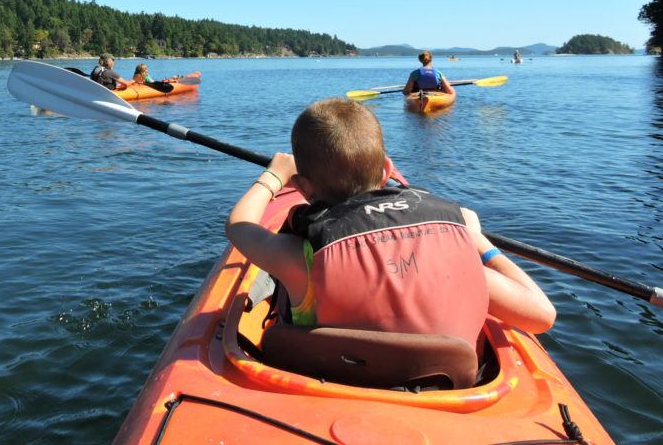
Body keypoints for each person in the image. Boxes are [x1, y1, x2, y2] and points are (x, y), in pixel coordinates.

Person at [225, 98, 555, 354]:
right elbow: (541, 315)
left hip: (327, 391)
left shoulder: (299, 257)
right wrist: (477, 241)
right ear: (386, 172)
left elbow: (239, 225)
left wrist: (274, 176)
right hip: (444, 400)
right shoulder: (454, 249)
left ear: (304, 188)